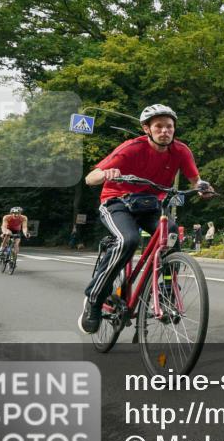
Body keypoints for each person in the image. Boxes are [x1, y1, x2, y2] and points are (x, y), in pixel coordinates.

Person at [78, 104, 213, 334]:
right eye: (158, 126)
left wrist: (203, 188)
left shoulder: (181, 151)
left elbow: (195, 180)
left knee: (170, 233)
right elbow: (91, 178)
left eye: (169, 126)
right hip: (116, 202)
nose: (165, 131)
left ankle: (167, 291)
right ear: (146, 129)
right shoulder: (131, 148)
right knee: (128, 241)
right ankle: (95, 298)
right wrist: (105, 174)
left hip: (149, 205)